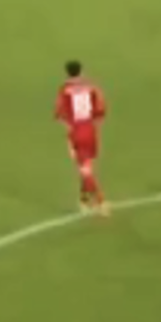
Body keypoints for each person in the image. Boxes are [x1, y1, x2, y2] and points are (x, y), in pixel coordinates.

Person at [55, 60, 108, 216]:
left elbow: (59, 113)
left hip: (77, 132)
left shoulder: (65, 90)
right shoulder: (91, 86)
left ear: (67, 73)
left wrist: (71, 127)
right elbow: (101, 108)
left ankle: (101, 202)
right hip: (91, 130)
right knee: (86, 166)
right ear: (82, 70)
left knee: (85, 170)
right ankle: (84, 200)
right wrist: (93, 124)